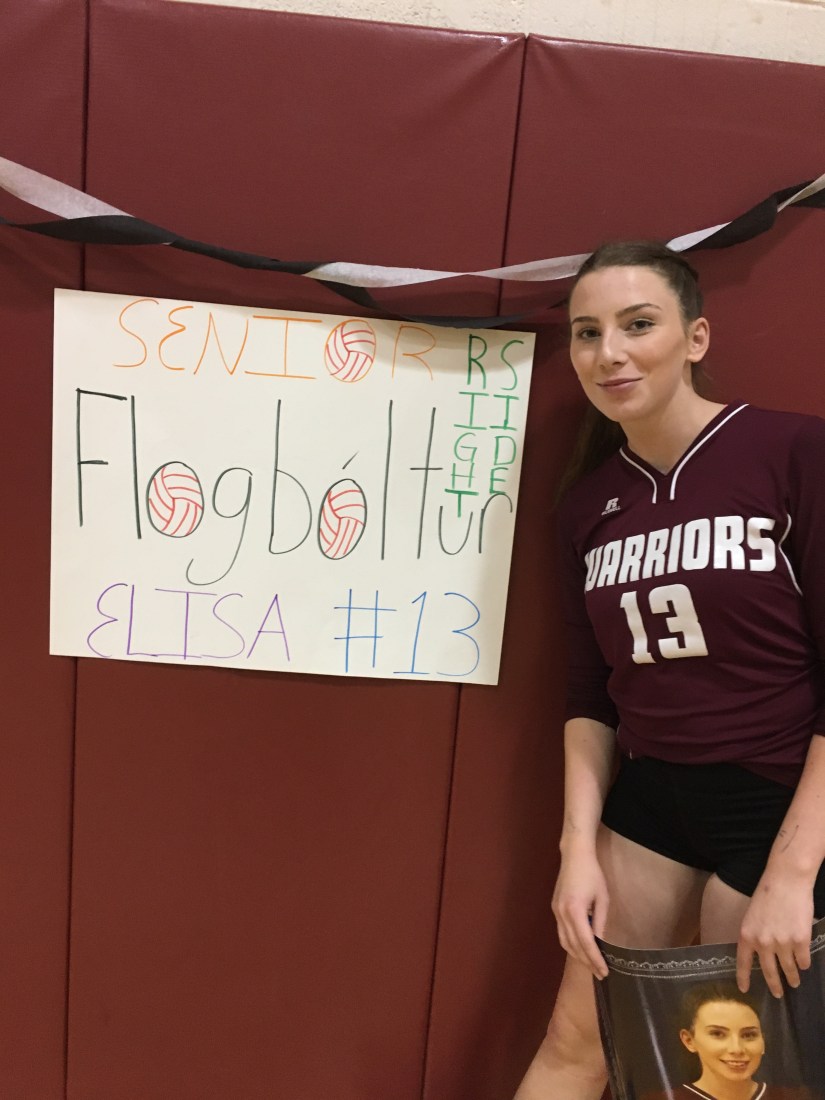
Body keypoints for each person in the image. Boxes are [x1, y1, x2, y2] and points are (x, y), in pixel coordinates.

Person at [513, 241, 825, 1100]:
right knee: (576, 1038)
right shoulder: (586, 506)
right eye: (587, 332)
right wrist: (576, 849)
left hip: (775, 799)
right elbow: (588, 696)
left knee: (735, 1070)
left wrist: (794, 872)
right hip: (653, 796)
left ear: (694, 338)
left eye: (637, 324)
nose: (608, 352)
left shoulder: (793, 452)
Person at [643, 981, 816, 1100]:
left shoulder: (798, 1097)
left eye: (748, 1035)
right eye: (718, 1034)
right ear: (689, 1040)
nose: (736, 1049)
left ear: (763, 1041)